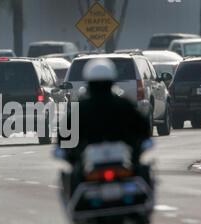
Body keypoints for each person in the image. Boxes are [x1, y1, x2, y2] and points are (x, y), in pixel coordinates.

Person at [59, 58, 152, 196]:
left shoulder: (81, 108)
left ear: (89, 83)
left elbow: (64, 135)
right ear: (112, 81)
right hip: (110, 163)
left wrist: (68, 151)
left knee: (73, 176)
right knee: (143, 170)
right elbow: (144, 127)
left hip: (104, 165)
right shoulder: (123, 105)